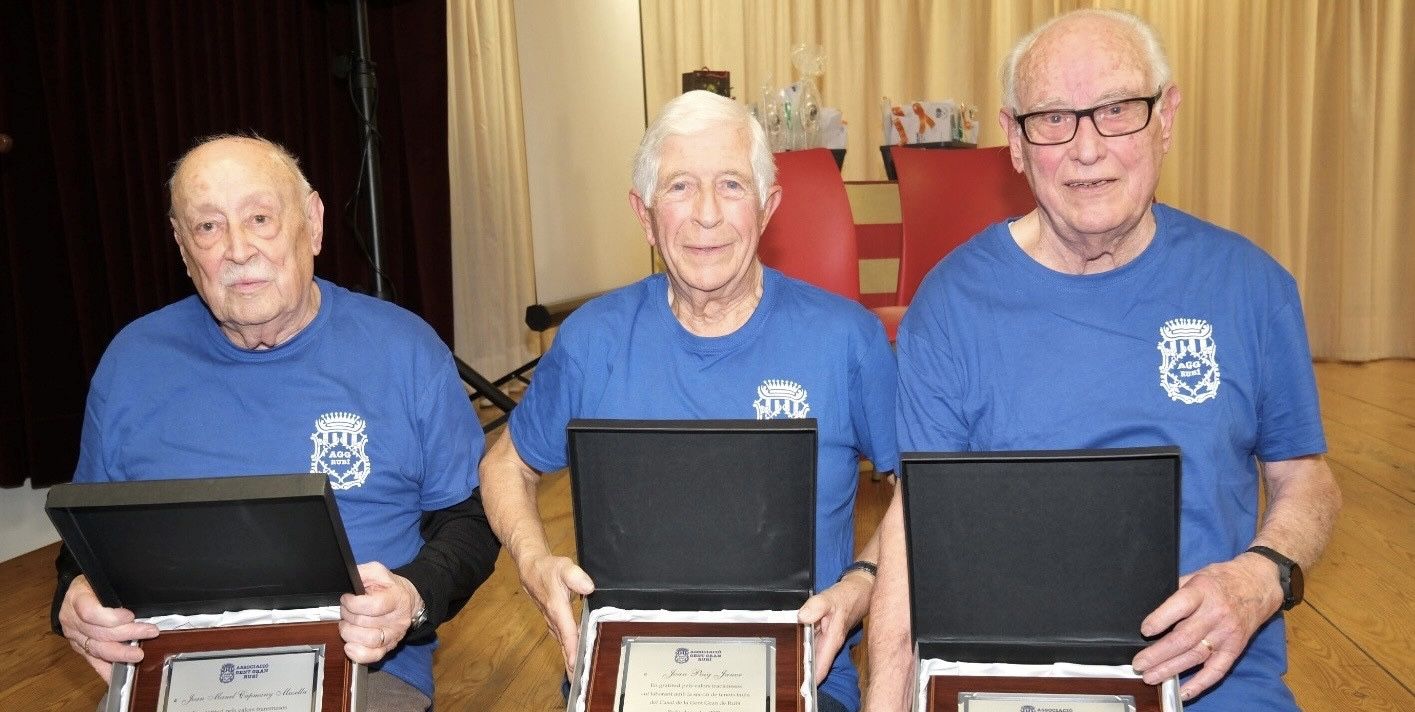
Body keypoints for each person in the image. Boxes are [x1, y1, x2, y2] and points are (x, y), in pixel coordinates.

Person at [866, 9, 1341, 711]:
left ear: (1166, 117)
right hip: (1007, 680)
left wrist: (1259, 576)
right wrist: (885, 696)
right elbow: (914, 523)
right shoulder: (952, 302)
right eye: (1053, 119)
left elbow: (1306, 481)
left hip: (1209, 678)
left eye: (1116, 110)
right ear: (1015, 142)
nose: (1087, 149)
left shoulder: (1251, 286)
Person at [480, 90, 897, 712]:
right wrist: (535, 561)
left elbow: (915, 489)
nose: (706, 214)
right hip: (628, 673)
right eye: (679, 187)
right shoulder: (593, 340)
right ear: (644, 215)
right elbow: (504, 465)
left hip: (797, 671)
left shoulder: (845, 339)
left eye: (731, 184)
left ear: (767, 206)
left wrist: (861, 584)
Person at [52, 135, 499, 711]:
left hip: (358, 670)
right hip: (173, 673)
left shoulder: (404, 351)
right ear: (182, 247)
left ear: (311, 223)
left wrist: (413, 595)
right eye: (208, 228)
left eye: (260, 218)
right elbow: (85, 538)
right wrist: (73, 595)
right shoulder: (131, 362)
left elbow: (471, 520)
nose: (238, 250)